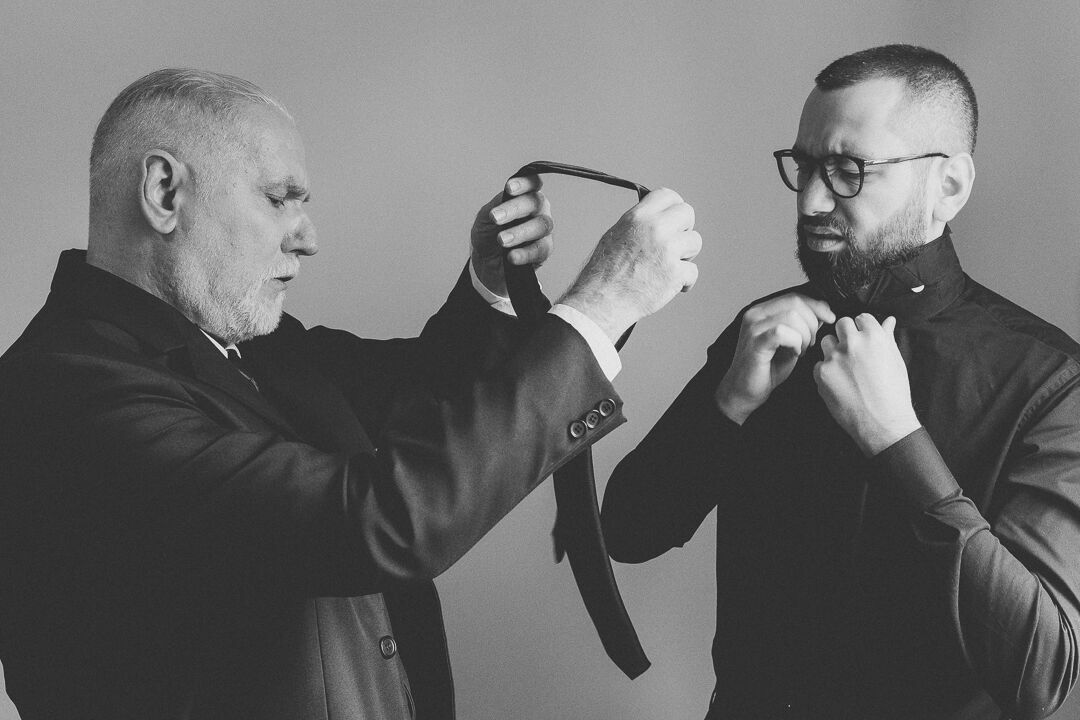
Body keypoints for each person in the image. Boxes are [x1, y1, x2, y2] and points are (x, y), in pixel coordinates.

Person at [0, 69, 701, 720]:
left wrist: (491, 284)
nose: (308, 239)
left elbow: (424, 406)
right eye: (281, 200)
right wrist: (602, 306)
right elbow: (382, 519)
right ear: (164, 192)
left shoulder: (254, 347)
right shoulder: (61, 396)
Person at [601, 44, 1080, 719]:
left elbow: (1042, 672)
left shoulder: (1051, 383)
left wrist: (898, 443)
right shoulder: (763, 334)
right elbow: (627, 530)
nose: (813, 198)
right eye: (804, 167)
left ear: (949, 187)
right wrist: (727, 403)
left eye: (849, 170)